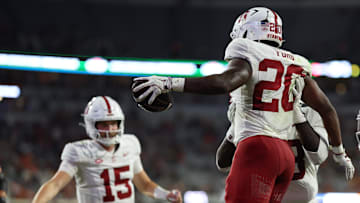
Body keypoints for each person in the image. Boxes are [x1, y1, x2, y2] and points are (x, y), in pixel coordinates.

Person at [132, 7, 355, 203]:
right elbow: (327, 109)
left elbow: (224, 82)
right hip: (284, 158)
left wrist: (169, 83)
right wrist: (339, 153)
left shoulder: (246, 50)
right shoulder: (296, 63)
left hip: (258, 147)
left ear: (248, 31)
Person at [32, 96, 182, 203]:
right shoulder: (78, 151)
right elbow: (55, 184)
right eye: (104, 124)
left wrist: (167, 195)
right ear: (91, 124)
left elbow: (145, 185)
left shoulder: (130, 143)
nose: (110, 129)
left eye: (114, 123)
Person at [216, 78, 332, 203]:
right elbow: (223, 163)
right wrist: (235, 125)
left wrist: (297, 117)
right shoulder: (254, 117)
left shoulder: (311, 113)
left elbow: (319, 156)